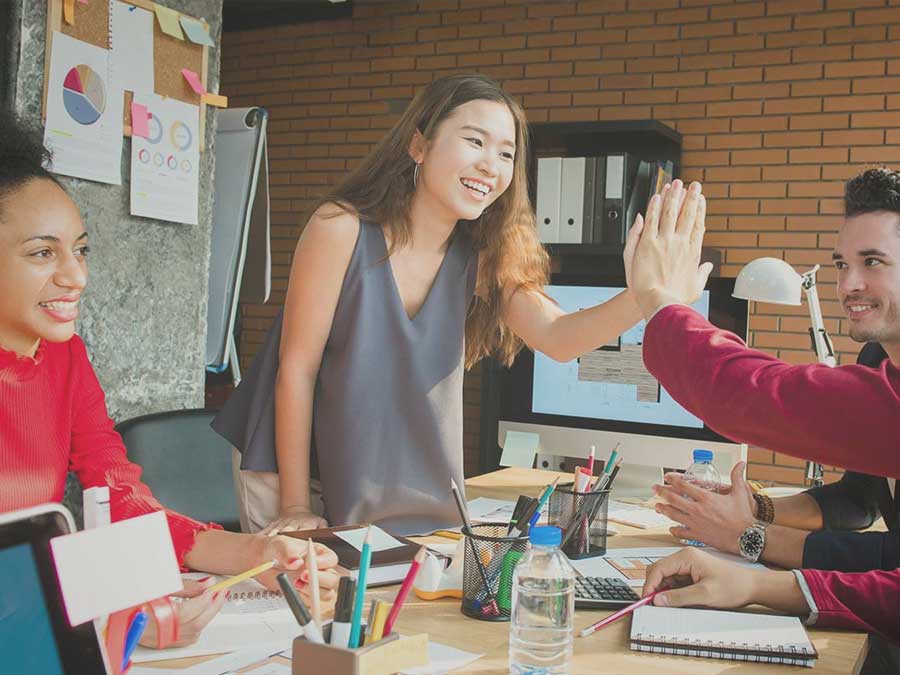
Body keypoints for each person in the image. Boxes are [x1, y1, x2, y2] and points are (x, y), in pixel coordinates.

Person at [213, 74, 646, 536]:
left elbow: (559, 337)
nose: (490, 166)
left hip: (380, 482)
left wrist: (645, 295)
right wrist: (296, 506)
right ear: (418, 145)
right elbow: (296, 370)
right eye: (474, 141)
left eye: (505, 153)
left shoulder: (481, 259)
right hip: (291, 465)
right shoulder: (339, 228)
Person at [0, 112, 339, 649]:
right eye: (43, 253)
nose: (76, 275)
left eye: (81, 249)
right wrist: (108, 623)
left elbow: (120, 497)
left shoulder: (64, 359)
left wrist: (255, 556)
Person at [623, 175, 900, 647]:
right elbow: (860, 500)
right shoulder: (878, 358)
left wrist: (658, 298)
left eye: (872, 262)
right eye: (841, 264)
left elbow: (752, 393)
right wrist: (757, 509)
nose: (850, 285)